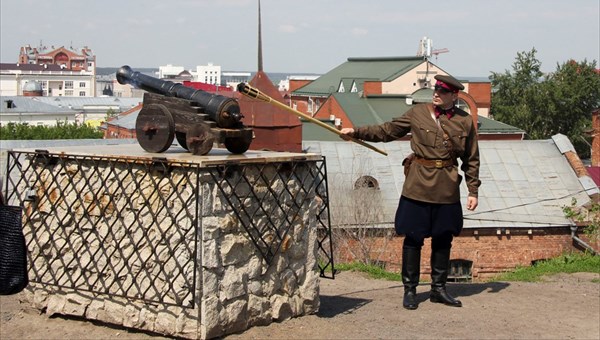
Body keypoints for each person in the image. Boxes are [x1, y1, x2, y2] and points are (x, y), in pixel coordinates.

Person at [339, 74, 481, 310]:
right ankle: (410, 290)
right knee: (413, 238)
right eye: (435, 89)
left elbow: (471, 158)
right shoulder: (418, 113)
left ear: (454, 96)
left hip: (446, 187)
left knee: (443, 238)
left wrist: (473, 190)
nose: (436, 93)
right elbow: (387, 131)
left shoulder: (465, 122)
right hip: (417, 185)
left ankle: (438, 289)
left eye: (443, 91)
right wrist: (355, 132)